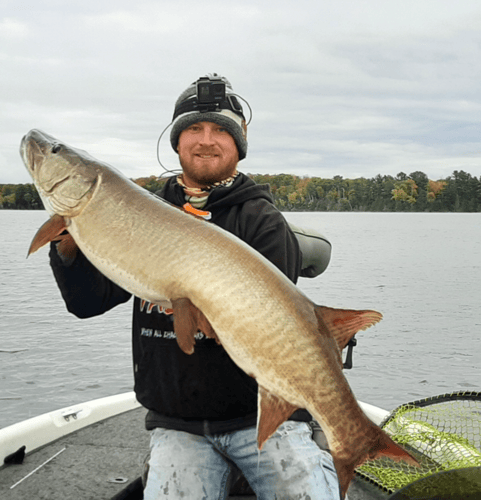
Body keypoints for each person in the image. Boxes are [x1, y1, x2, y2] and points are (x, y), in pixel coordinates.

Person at [49, 74, 341, 499]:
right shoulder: (138, 211)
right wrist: (68, 244)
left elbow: (271, 325)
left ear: (238, 143)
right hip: (177, 423)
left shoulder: (262, 221)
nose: (207, 140)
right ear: (177, 140)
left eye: (221, 129)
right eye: (194, 128)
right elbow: (87, 303)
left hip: (262, 415)